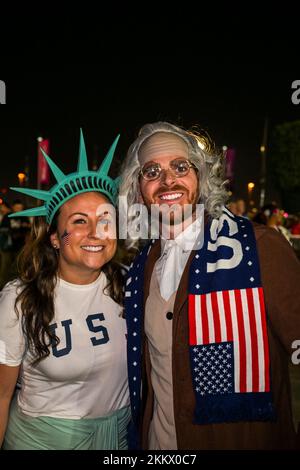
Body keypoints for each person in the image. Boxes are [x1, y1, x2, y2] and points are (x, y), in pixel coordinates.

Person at [119, 121, 300, 450]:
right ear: (137, 191)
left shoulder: (260, 248)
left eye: (180, 166)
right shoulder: (139, 268)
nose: (168, 180)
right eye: (151, 171)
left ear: (200, 177)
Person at [0, 130, 130, 450]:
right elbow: (1, 395)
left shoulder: (134, 285)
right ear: (56, 238)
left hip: (120, 440)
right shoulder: (19, 299)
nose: (95, 232)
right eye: (79, 221)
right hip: (40, 441)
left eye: (105, 219)